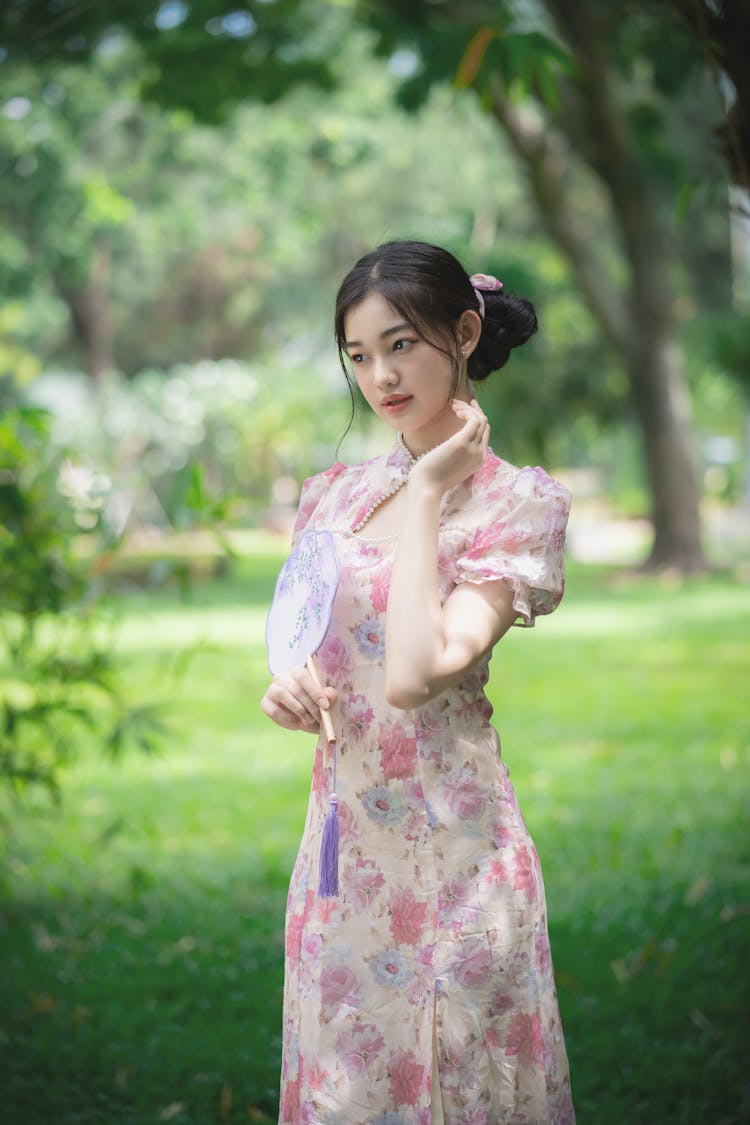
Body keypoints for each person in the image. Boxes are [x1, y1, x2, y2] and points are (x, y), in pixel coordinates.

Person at [261, 240, 575, 1124]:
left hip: (456, 859)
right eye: (359, 355)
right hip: (341, 854)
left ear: (465, 332)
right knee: (345, 1092)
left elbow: (413, 677)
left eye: (401, 344)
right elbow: (317, 653)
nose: (380, 376)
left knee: (455, 1087)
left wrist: (433, 490)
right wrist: (288, 688)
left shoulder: (519, 504)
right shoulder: (332, 495)